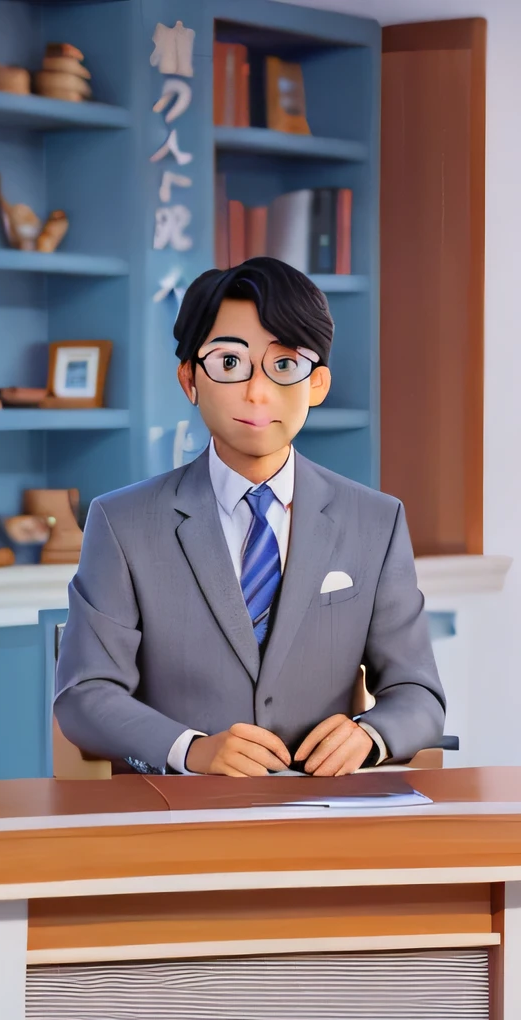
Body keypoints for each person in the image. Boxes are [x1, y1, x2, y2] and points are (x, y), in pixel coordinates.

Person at [55, 257, 444, 777]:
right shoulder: (121, 523)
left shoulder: (376, 520)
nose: (257, 391)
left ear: (318, 384)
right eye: (230, 364)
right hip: (176, 814)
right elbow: (84, 694)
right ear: (190, 379)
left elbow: (418, 691)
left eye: (284, 365)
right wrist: (190, 750)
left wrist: (371, 735)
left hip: (320, 811)